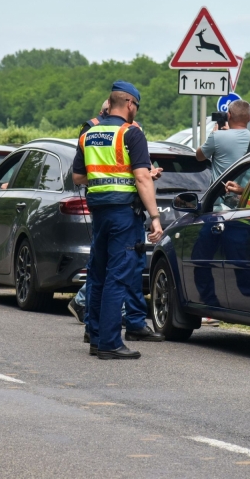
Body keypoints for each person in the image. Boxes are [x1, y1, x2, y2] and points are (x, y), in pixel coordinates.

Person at [72, 81, 164, 360]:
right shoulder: (130, 133)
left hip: (99, 211)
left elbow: (78, 177)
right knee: (119, 275)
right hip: (124, 213)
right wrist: (155, 217)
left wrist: (107, 179)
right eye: (136, 106)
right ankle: (111, 343)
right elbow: (141, 177)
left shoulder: (89, 133)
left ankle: (97, 338)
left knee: (99, 274)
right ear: (129, 104)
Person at [195, 100, 250, 178]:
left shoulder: (217, 136)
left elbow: (199, 156)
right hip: (245, 190)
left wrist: (213, 135)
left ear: (228, 115)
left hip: (221, 189)